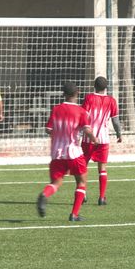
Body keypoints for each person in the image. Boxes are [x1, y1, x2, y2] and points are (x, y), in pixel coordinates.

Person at [36, 81, 97, 221]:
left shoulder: (56, 109)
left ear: (63, 94)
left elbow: (48, 129)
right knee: (82, 181)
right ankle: (74, 214)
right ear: (78, 93)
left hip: (57, 153)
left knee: (55, 183)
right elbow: (87, 130)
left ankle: (44, 195)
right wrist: (94, 138)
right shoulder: (82, 112)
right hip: (74, 152)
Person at [81, 76, 121, 205]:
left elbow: (83, 116)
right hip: (103, 139)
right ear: (106, 87)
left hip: (89, 138)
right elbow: (115, 120)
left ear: (94, 86)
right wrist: (119, 134)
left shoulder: (89, 98)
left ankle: (82, 193)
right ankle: (102, 197)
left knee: (83, 167)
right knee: (102, 169)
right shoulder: (111, 100)